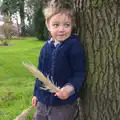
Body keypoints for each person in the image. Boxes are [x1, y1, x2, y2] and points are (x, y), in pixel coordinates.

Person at [32, 0, 86, 120]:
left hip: (63, 106)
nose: (61, 29)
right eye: (56, 25)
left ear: (72, 25)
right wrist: (36, 94)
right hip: (42, 102)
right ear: (48, 25)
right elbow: (39, 74)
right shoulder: (45, 48)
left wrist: (68, 89)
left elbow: (79, 73)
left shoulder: (73, 46)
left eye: (66, 25)